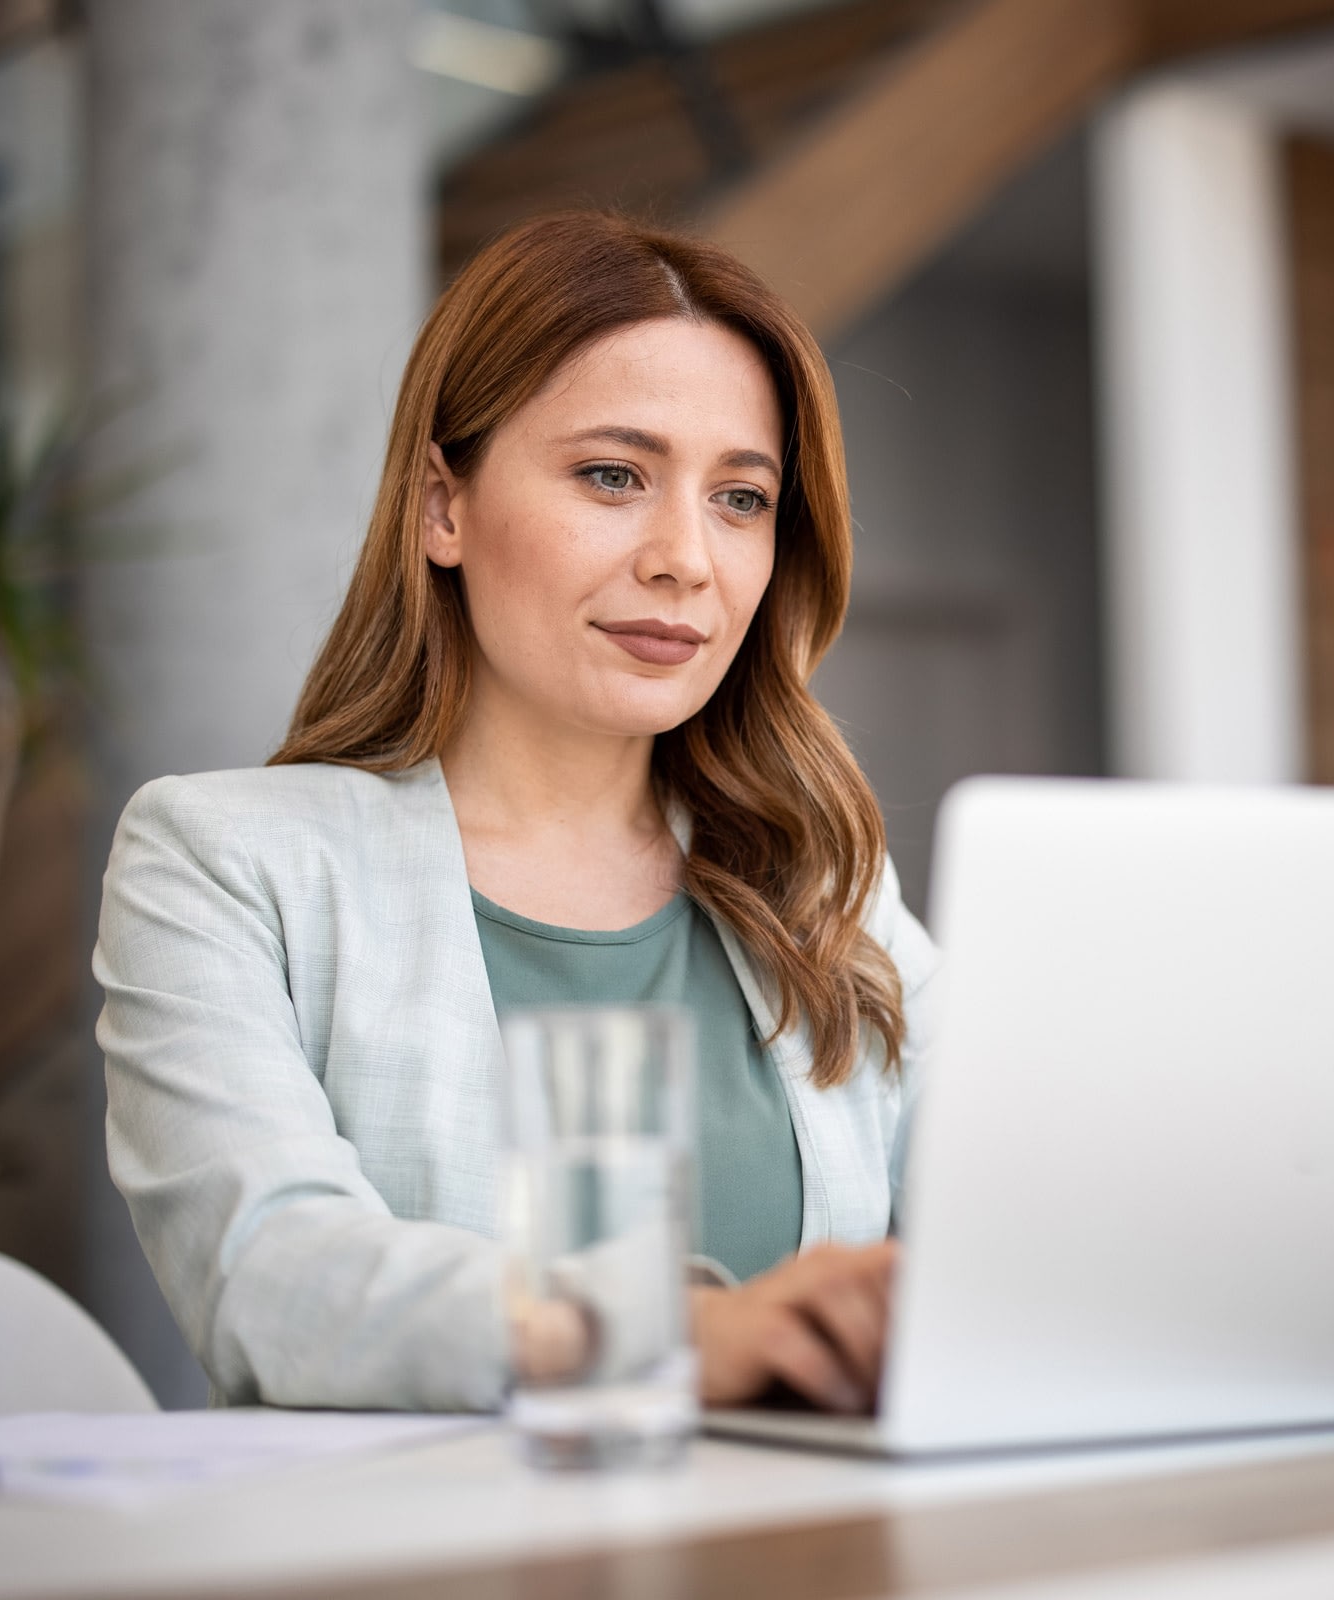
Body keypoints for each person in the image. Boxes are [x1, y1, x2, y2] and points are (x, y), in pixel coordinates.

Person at [94, 211, 934, 1415]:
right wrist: (684, 1331)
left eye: (742, 499)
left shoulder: (821, 883)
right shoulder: (225, 862)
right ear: (444, 505)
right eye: (612, 475)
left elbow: (1022, 1204)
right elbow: (270, 1276)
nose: (686, 558)